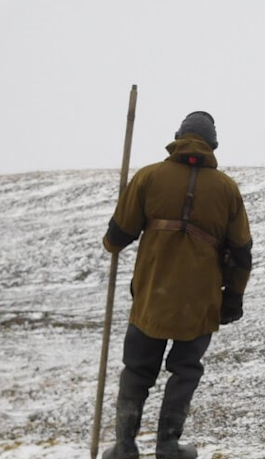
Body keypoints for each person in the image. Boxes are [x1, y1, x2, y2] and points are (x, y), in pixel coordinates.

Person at [101, 111, 252, 459]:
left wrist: (112, 241)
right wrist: (234, 299)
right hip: (200, 307)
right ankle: (168, 447)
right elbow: (241, 252)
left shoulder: (148, 177)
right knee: (185, 372)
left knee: (137, 370)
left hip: (151, 301)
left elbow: (117, 236)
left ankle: (125, 446)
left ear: (178, 136)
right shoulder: (227, 189)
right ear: (212, 144)